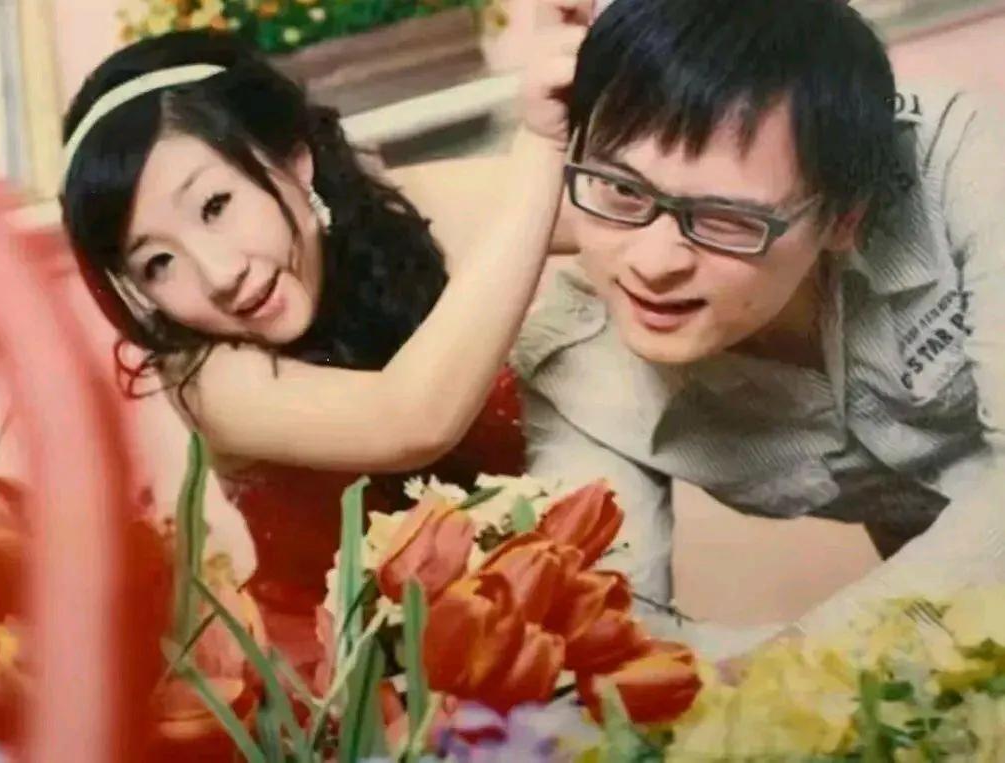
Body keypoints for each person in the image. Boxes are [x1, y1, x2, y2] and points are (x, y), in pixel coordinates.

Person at [58, 27, 578, 672]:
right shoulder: (206, 378)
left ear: (293, 160)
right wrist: (541, 145)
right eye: (158, 262)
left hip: (535, 634)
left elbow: (621, 207)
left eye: (215, 205)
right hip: (352, 690)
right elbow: (411, 420)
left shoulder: (406, 211)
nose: (217, 273)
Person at [514, 0, 1005, 659]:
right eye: (623, 191)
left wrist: (787, 663)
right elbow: (613, 636)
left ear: (844, 217)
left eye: (726, 220)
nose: (654, 264)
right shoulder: (578, 369)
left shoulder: (963, 168)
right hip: (943, 629)